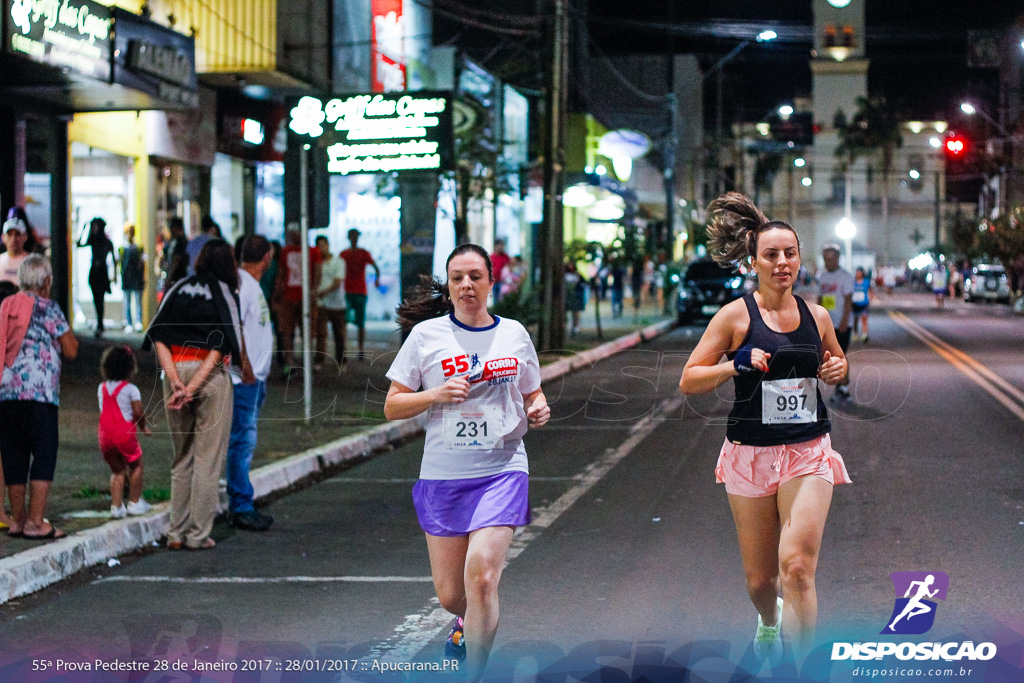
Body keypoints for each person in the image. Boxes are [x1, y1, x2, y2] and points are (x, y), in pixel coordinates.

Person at [679, 193, 851, 662]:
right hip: (749, 453)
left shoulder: (817, 315)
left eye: (790, 253)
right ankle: (769, 620)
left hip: (807, 450)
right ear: (753, 261)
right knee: (761, 581)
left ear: (800, 260)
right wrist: (734, 363)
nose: (782, 262)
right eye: (771, 254)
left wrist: (838, 370)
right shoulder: (736, 316)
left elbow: (836, 360)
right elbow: (689, 379)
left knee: (796, 567)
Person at [384, 244, 550, 677]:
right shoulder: (426, 337)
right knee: (453, 595)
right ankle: (465, 622)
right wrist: (436, 394)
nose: (466, 285)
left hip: (503, 469)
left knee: (481, 577)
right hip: (443, 475)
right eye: (457, 277)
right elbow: (392, 405)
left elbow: (533, 389)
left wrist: (538, 406)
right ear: (449, 285)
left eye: (475, 276)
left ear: (492, 282)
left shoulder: (513, 334)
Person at [143, 239, 244, 550]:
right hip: (209, 377)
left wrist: (176, 382)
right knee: (207, 458)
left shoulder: (178, 288)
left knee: (182, 455)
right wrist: (194, 386)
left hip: (174, 370)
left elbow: (157, 334)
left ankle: (176, 531)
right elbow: (222, 346)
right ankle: (198, 535)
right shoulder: (225, 293)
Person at [0, 254, 79, 540]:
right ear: (46, 281)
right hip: (39, 392)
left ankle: (18, 520)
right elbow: (71, 350)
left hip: (6, 391)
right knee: (43, 453)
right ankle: (35, 522)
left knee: (14, 453)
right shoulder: (48, 308)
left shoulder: (5, 305)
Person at [227, 235, 275, 532]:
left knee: (245, 440)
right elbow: (235, 326)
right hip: (244, 378)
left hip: (253, 377)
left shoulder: (248, 283)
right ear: (267, 257)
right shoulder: (243, 284)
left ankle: (242, 499)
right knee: (242, 442)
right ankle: (241, 504)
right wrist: (244, 366)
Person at [97, 346, 151, 519]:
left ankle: (116, 506)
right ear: (130, 368)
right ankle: (135, 502)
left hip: (105, 435)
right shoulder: (131, 389)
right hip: (124, 434)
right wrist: (143, 426)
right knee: (136, 465)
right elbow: (138, 412)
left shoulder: (102, 388)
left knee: (117, 471)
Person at [273, 229, 322, 375]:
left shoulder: (313, 251)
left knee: (308, 330)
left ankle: (306, 360)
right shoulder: (286, 251)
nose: (295, 235)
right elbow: (281, 273)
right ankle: (290, 362)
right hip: (288, 296)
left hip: (305, 298)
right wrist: (278, 295)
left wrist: (313, 291)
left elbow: (318, 271)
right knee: (287, 331)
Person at [817, 244, 854, 402]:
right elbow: (820, 299)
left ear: (838, 258)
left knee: (840, 356)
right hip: (827, 324)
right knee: (827, 356)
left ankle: (844, 388)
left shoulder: (845, 276)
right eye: (825, 259)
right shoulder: (823, 276)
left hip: (841, 324)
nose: (827, 262)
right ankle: (840, 385)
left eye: (830, 259)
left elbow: (848, 301)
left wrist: (845, 321)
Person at [340, 228, 380, 358]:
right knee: (347, 321)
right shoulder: (346, 254)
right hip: (350, 291)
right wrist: (376, 280)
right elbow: (375, 267)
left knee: (358, 322)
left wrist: (377, 279)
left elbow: (375, 267)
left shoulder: (357, 253)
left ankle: (359, 348)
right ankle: (349, 348)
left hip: (358, 291)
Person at [77, 217, 117, 337]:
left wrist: (114, 275)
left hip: (100, 272)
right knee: (98, 299)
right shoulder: (97, 240)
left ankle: (100, 323)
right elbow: (79, 244)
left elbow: (114, 259)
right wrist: (84, 229)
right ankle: (100, 323)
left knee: (99, 299)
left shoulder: (103, 241)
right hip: (97, 272)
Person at [314, 235, 346, 371]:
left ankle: (342, 360)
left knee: (339, 333)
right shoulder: (317, 263)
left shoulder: (338, 262)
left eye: (323, 245)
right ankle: (319, 360)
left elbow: (337, 282)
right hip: (322, 304)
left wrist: (322, 292)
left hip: (337, 304)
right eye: (318, 246)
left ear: (328, 245)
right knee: (321, 333)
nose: (321, 249)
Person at [120, 225, 145, 332]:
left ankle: (138, 321)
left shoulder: (139, 247)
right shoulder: (122, 248)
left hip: (136, 276)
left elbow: (142, 263)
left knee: (138, 300)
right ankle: (129, 322)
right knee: (128, 300)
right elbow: (120, 262)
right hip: (127, 276)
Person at [161, 217, 189, 293]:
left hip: (177, 278)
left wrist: (170, 277)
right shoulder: (176, 241)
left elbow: (177, 259)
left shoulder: (180, 242)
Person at [1, 214, 30, 285]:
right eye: (9, 234)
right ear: (3, 237)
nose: (13, 239)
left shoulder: (32, 263)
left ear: (25, 236)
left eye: (17, 234)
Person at [564, 262, 585, 336]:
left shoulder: (577, 274)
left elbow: (582, 283)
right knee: (565, 312)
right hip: (567, 297)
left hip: (575, 296)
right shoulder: (564, 275)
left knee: (575, 312)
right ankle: (565, 326)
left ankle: (575, 326)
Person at [852, 266, 872, 343]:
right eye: (857, 272)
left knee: (864, 319)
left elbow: (870, 290)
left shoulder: (866, 282)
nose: (858, 274)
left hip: (864, 303)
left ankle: (864, 334)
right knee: (855, 319)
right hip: (855, 303)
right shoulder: (853, 282)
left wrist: (871, 300)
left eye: (859, 272)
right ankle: (855, 333)